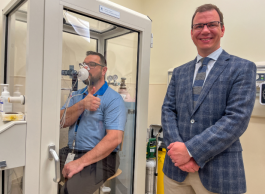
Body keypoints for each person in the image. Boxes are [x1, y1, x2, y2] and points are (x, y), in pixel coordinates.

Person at [162, 4, 256, 194]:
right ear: (191, 32)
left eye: (211, 24)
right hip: (175, 172)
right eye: (199, 26)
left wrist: (190, 152)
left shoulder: (242, 68)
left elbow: (236, 120)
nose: (205, 30)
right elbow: (168, 111)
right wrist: (178, 155)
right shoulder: (179, 72)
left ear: (222, 29)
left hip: (220, 173)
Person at [59, 51, 127, 194]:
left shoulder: (113, 99)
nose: (85, 68)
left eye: (92, 65)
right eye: (84, 65)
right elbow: (60, 122)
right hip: (72, 151)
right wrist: (82, 105)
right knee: (39, 177)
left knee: (69, 191)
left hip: (103, 157)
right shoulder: (77, 95)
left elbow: (114, 139)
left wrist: (79, 162)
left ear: (104, 70)